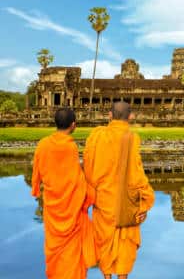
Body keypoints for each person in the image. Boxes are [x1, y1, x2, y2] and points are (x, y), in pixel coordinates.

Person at [83, 101, 155, 279]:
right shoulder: (131, 139)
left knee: (104, 241)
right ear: (131, 117)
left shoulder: (96, 136)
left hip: (103, 201)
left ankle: (107, 277)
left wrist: (91, 193)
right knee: (125, 243)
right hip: (126, 203)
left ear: (109, 115)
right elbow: (137, 175)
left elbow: (88, 169)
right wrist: (145, 202)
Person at [31, 108, 96, 279]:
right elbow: (76, 179)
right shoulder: (70, 147)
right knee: (72, 258)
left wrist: (36, 188)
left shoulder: (43, 144)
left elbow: (36, 171)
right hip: (71, 209)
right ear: (73, 125)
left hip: (53, 206)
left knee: (55, 254)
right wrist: (91, 193)